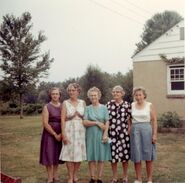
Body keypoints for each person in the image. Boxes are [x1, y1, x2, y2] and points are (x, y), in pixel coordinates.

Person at [83, 87, 112, 183]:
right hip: (90, 135)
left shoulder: (104, 108)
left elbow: (107, 121)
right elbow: (85, 122)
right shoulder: (87, 108)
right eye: (91, 95)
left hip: (101, 135)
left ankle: (99, 178)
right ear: (89, 97)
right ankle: (92, 178)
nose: (93, 97)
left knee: (101, 157)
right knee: (91, 157)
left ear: (99, 96)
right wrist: (96, 123)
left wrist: (105, 133)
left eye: (95, 95)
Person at [59, 83, 86, 183]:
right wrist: (63, 134)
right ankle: (70, 176)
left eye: (73, 90)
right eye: (69, 90)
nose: (71, 92)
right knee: (69, 153)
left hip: (80, 131)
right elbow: (62, 119)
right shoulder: (65, 103)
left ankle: (75, 175)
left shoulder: (83, 102)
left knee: (79, 153)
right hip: (69, 130)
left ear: (78, 91)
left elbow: (86, 117)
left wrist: (80, 115)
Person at [130, 87, 157, 183]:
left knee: (148, 155)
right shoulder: (132, 105)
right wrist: (130, 129)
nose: (138, 97)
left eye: (140, 95)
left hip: (147, 130)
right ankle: (139, 178)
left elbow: (154, 121)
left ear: (144, 95)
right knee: (137, 155)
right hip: (135, 131)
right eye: (136, 95)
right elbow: (129, 119)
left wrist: (154, 134)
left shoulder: (149, 105)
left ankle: (149, 179)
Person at [107, 85, 131, 183]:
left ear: (122, 93)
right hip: (111, 134)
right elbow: (106, 120)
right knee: (113, 157)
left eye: (118, 92)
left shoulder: (127, 105)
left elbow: (130, 122)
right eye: (114, 92)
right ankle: (115, 177)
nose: (115, 94)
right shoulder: (108, 104)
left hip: (123, 134)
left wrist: (128, 132)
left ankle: (125, 176)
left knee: (124, 156)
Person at [39, 87, 63, 183]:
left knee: (57, 155)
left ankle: (55, 175)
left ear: (59, 95)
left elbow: (65, 120)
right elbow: (45, 123)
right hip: (49, 134)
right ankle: (49, 177)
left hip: (60, 133)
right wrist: (54, 134)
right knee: (49, 155)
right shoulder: (47, 107)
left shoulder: (63, 106)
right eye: (53, 94)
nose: (55, 95)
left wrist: (61, 134)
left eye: (57, 94)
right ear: (50, 95)